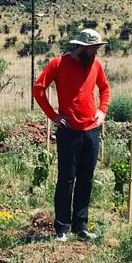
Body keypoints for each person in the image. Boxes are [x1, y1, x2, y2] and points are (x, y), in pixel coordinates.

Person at [32, 28, 111, 242]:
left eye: (97, 48)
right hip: (69, 132)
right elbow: (38, 89)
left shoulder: (95, 64)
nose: (96, 51)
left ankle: (81, 226)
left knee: (86, 179)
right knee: (66, 179)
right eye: (93, 48)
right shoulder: (58, 63)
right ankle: (62, 227)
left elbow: (105, 88)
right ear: (81, 47)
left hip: (91, 131)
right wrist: (54, 116)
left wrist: (102, 111)